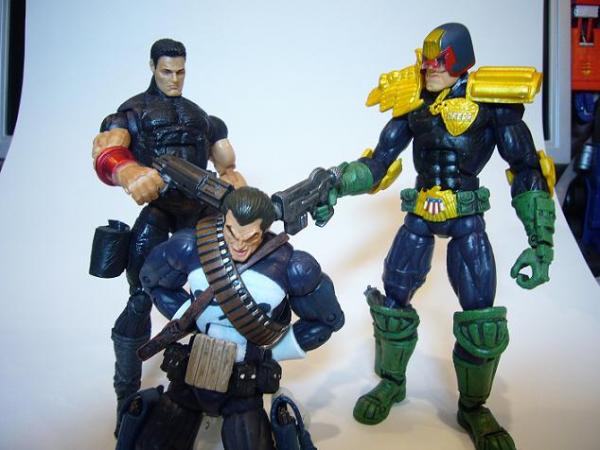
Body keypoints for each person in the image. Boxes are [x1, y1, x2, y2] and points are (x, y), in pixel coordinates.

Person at [312, 23, 555, 450]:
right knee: (393, 303)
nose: (429, 69)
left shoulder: (493, 104)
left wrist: (541, 242)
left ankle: (474, 407)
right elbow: (379, 162)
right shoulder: (414, 102)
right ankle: (392, 381)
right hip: (420, 216)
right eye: (425, 62)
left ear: (460, 61)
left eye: (438, 62)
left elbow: (526, 168)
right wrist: (336, 183)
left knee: (482, 321)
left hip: (466, 219)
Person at [91, 38, 246, 418]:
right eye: (166, 71)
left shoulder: (202, 118)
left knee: (220, 298)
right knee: (139, 299)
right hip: (159, 214)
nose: (174, 79)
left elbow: (228, 167)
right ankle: (126, 400)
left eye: (180, 71)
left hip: (200, 214)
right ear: (152, 67)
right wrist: (128, 170)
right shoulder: (132, 113)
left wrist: (236, 187)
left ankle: (213, 395)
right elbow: (107, 152)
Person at [123, 186, 344, 450]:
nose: (238, 245)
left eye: (250, 237)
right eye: (231, 232)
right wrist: (189, 318)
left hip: (243, 378)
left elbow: (326, 321)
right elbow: (153, 281)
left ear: (264, 230)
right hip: (193, 367)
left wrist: (273, 353)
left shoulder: (291, 266)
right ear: (223, 220)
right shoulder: (192, 247)